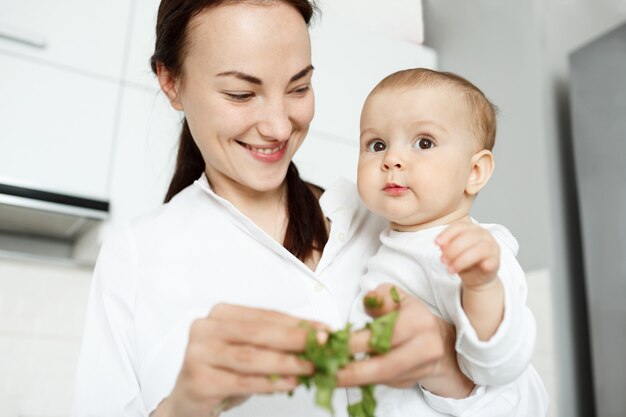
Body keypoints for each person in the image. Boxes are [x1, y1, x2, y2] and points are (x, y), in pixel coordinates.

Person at [70, 1, 546, 416]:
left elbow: (529, 401)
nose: (279, 126)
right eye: (241, 93)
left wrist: (448, 365)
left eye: (299, 88)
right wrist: (183, 407)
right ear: (171, 83)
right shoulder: (132, 258)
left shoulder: (392, 217)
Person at [350, 68, 549, 415]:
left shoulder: (474, 251)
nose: (391, 160)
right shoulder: (388, 241)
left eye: (423, 143)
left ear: (474, 172)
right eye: (376, 144)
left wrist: (481, 287)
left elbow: (497, 365)